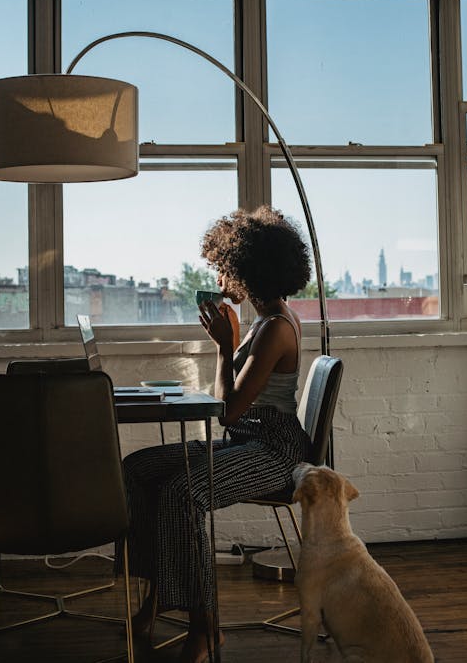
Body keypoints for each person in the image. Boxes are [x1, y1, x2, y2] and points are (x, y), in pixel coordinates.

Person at [122, 205, 313, 663]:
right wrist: (227, 346)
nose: (220, 277)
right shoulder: (264, 321)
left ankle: (206, 626)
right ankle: (158, 597)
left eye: (225, 269)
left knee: (182, 494)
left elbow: (227, 411)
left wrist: (224, 347)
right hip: (250, 440)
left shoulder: (275, 330)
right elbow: (229, 403)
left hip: (275, 451)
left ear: (248, 272)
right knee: (137, 468)